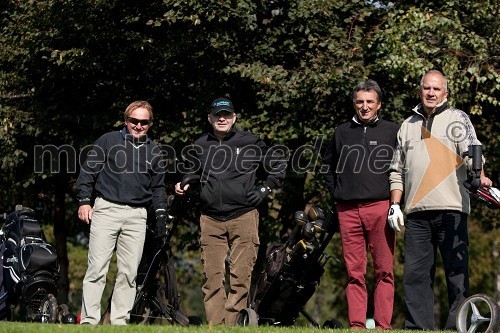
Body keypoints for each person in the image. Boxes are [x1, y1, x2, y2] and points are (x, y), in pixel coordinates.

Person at [388, 70, 493, 330]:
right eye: (427, 88)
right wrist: (394, 205)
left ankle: (456, 327)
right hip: (416, 214)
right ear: (420, 90)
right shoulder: (407, 125)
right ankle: (417, 327)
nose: (431, 93)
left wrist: (478, 174)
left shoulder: (458, 118)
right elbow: (396, 170)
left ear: (445, 92)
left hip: (452, 210)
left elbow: (473, 151)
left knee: (457, 274)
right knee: (415, 276)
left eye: (436, 89)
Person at [174, 97, 287, 325]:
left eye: (226, 114)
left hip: (243, 216)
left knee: (240, 277)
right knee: (212, 278)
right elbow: (191, 173)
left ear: (234, 117)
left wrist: (264, 189)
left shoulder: (250, 142)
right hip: (210, 219)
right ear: (210, 118)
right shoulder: (200, 145)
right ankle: (216, 327)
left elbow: (279, 165)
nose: (222, 118)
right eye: (217, 115)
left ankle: (234, 326)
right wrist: (182, 183)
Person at [76, 100, 168, 325]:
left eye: (143, 122)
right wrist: (84, 202)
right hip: (106, 209)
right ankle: (88, 320)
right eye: (134, 121)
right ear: (126, 121)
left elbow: (158, 188)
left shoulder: (154, 151)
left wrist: (161, 214)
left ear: (150, 124)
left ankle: (119, 321)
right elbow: (88, 172)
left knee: (128, 273)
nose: (138, 125)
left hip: (137, 215)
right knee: (97, 268)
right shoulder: (108, 140)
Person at [321, 79, 399, 329]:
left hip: (380, 207)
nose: (364, 106)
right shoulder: (341, 132)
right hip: (348, 211)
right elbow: (327, 166)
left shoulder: (392, 130)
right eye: (360, 102)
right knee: (354, 272)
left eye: (369, 102)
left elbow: (402, 169)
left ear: (379, 105)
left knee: (384, 271)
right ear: (354, 104)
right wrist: (338, 193)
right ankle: (357, 324)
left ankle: (383, 325)